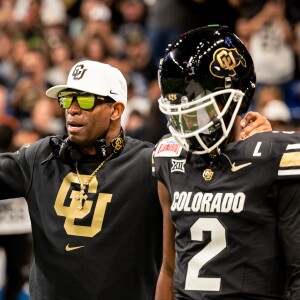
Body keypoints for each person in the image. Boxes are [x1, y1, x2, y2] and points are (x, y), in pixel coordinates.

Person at [0, 59, 270, 300]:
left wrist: (244, 142)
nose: (71, 109)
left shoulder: (150, 162)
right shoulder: (41, 157)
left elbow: (214, 174)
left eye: (84, 100)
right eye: (67, 99)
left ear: (116, 110)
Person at [153, 25, 300, 299]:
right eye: (180, 113)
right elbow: (169, 270)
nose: (188, 125)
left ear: (233, 98)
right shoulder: (169, 158)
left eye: (197, 110)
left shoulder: (274, 156)